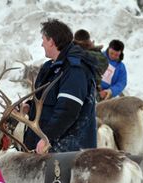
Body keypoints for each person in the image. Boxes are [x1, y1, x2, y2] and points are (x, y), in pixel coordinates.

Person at [24, 19, 98, 154]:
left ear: (51, 41)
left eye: (44, 40)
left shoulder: (75, 70)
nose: (42, 44)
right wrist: (29, 106)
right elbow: (44, 100)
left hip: (68, 153)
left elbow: (68, 110)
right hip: (46, 148)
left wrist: (47, 138)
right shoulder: (49, 67)